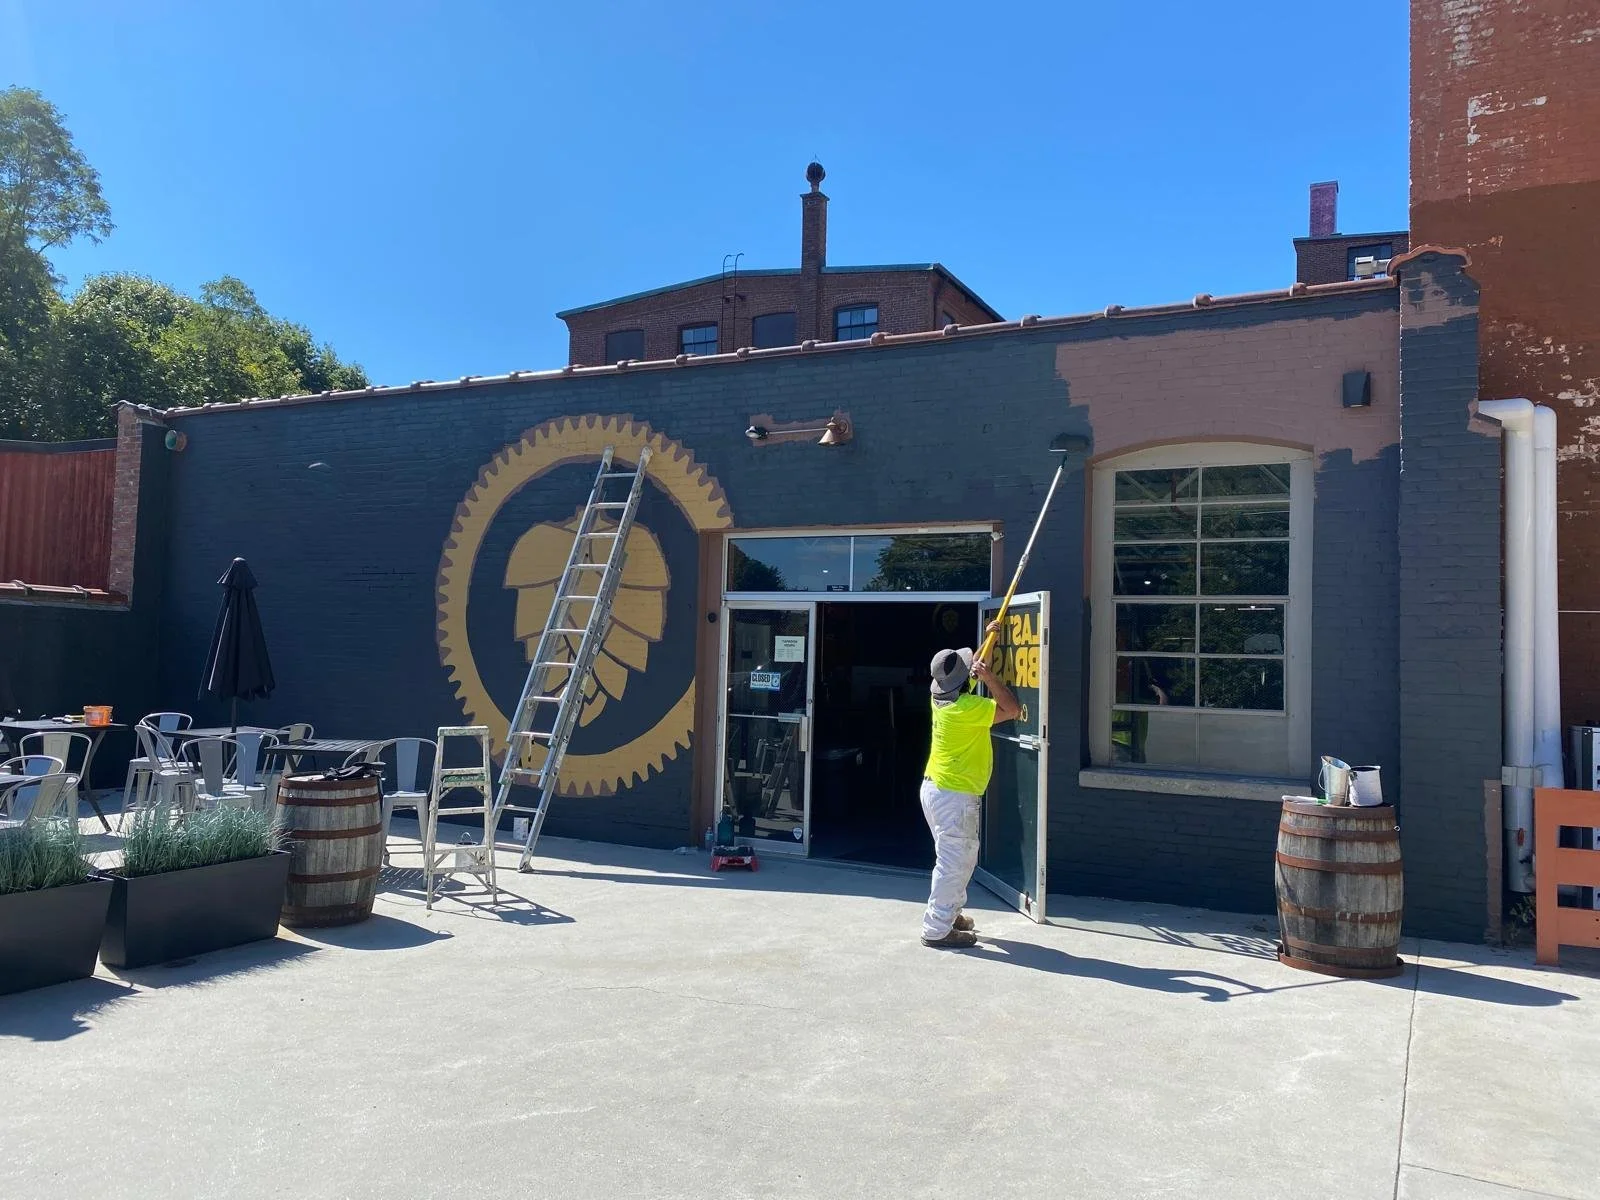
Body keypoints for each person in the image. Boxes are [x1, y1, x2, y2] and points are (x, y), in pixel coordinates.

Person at [919, 622, 1020, 949]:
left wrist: (989, 636)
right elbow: (1013, 709)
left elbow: (963, 672)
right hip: (954, 796)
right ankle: (937, 929)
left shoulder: (942, 698)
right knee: (955, 862)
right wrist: (990, 676)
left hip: (935, 790)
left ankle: (950, 912)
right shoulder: (968, 709)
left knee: (956, 857)